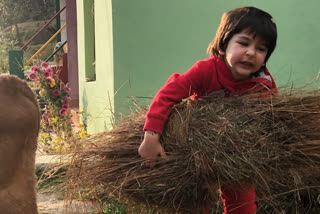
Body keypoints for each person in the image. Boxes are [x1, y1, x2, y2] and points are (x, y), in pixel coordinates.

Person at [138, 6, 277, 214]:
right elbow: (168, 94)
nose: (251, 52)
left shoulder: (263, 83)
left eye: (261, 48)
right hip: (198, 153)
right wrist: (151, 136)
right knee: (196, 203)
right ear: (223, 46)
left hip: (240, 156)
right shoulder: (206, 70)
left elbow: (273, 118)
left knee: (243, 207)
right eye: (244, 43)